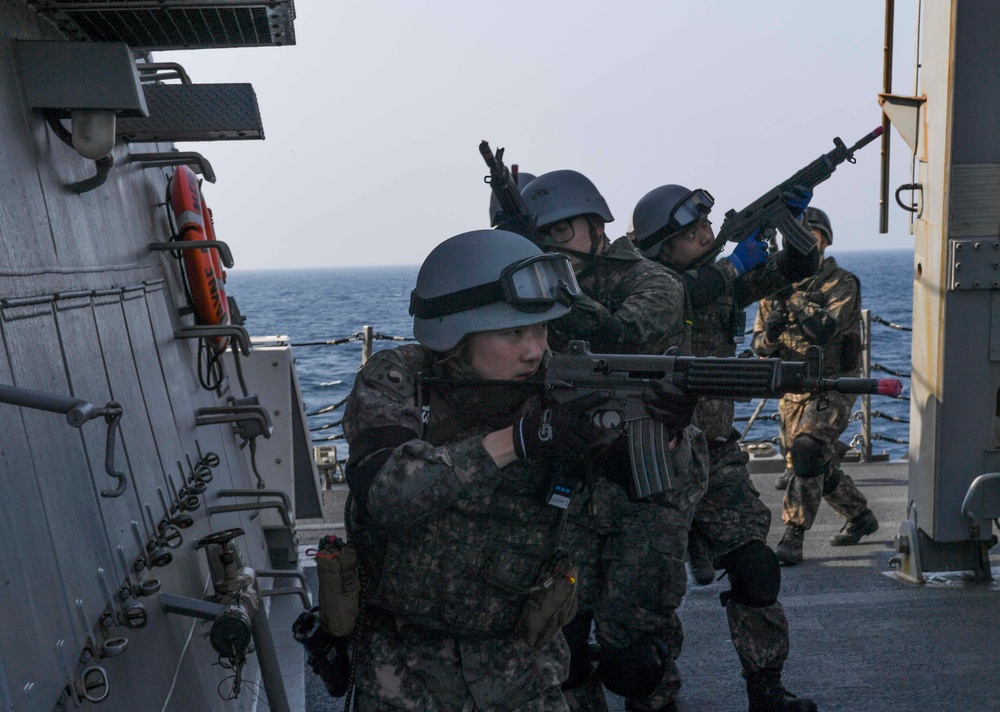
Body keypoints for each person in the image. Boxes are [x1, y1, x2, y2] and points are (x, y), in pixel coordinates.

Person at [341, 229, 704, 711]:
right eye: (514, 333)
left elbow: (652, 490)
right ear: (456, 330)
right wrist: (521, 439)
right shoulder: (398, 380)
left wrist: (667, 432)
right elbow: (387, 492)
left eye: (542, 330)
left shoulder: (564, 384)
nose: (534, 351)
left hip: (520, 662)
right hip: (405, 665)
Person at [519, 169, 708, 712]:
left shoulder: (651, 281)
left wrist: (555, 288)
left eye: (559, 233)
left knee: (639, 643)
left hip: (646, 479)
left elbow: (617, 336)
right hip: (573, 479)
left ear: (594, 225)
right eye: (541, 237)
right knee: (566, 634)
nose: (551, 248)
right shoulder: (536, 291)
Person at [631, 183, 819, 712]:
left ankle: (767, 690)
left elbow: (793, 270)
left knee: (757, 567)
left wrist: (791, 224)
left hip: (715, 453)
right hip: (654, 455)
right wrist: (733, 265)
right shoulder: (648, 286)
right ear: (662, 245)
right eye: (693, 234)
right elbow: (683, 296)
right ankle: (653, 698)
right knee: (649, 593)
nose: (708, 238)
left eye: (708, 229)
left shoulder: (719, 279)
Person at [751, 207, 879, 567]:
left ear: (823, 240)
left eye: (810, 235)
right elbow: (761, 347)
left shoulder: (841, 283)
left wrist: (790, 296)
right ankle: (860, 516)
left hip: (832, 385)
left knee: (806, 451)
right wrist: (772, 331)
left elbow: (825, 328)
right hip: (792, 388)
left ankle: (793, 535)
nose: (803, 242)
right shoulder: (771, 289)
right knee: (814, 463)